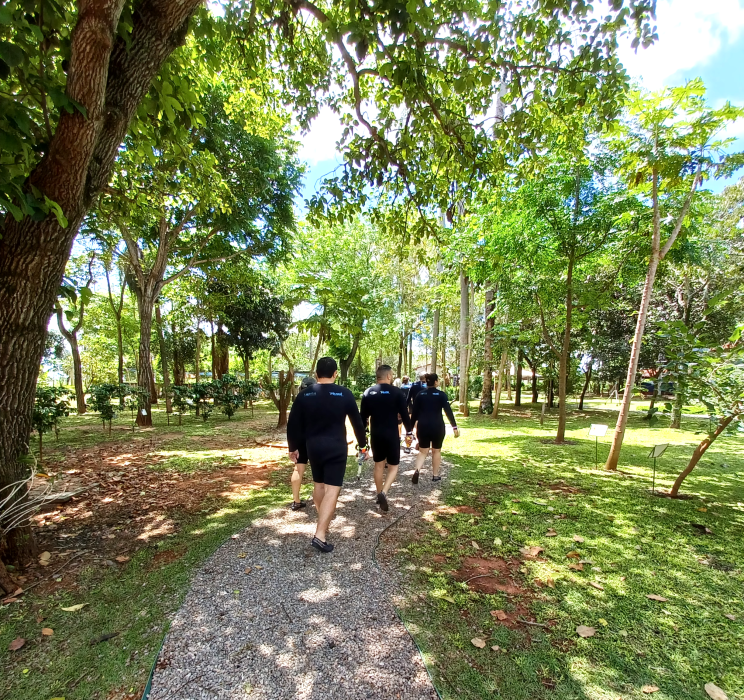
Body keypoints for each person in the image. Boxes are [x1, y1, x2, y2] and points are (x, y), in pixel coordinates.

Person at [287, 357, 367, 553]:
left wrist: (293, 447)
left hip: (313, 447)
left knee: (319, 485)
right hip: (336, 447)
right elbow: (358, 423)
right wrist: (363, 446)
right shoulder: (345, 394)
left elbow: (293, 423)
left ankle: (323, 519)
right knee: (332, 490)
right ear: (335, 373)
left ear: (316, 374)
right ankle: (320, 534)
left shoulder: (305, 395)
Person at [360, 365, 413, 512]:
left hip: (376, 434)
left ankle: (378, 494)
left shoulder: (368, 392)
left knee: (378, 465)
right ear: (389, 376)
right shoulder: (397, 393)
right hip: (391, 434)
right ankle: (384, 492)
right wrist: (409, 432)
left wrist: (363, 436)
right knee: (393, 466)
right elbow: (404, 414)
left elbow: (362, 417)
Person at [411, 373, 459, 483]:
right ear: (436, 382)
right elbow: (448, 411)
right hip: (437, 426)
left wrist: (410, 429)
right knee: (436, 451)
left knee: (423, 451)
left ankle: (417, 470)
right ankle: (435, 475)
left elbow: (414, 413)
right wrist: (454, 426)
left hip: (423, 426)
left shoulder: (420, 395)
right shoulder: (441, 395)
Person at [289, 374, 316, 511]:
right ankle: (322, 500)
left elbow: (291, 424)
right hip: (317, 439)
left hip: (300, 440)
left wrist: (292, 447)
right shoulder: (320, 400)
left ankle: (296, 500)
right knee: (320, 471)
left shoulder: (298, 400)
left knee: (298, 469)